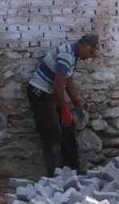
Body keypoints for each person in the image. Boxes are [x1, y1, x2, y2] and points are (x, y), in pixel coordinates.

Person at [27, 34, 98, 176]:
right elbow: (58, 84)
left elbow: (68, 81)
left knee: (68, 128)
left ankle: (72, 169)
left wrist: (77, 103)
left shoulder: (73, 55)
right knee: (52, 132)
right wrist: (65, 109)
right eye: (90, 53)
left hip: (50, 93)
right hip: (39, 93)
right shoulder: (66, 55)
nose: (89, 57)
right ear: (84, 46)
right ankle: (53, 175)